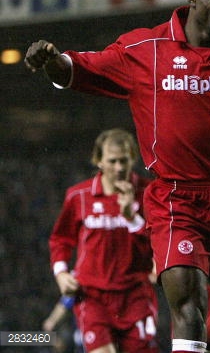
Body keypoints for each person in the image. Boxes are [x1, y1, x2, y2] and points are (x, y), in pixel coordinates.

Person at [25, 0, 210, 353]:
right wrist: (53, 60)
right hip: (175, 199)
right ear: (192, 0)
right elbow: (83, 68)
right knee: (188, 305)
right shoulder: (146, 49)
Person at [48, 128, 158, 353]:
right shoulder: (79, 196)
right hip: (92, 296)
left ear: (133, 159)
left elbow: (157, 244)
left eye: (124, 161)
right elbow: (61, 238)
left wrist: (130, 217)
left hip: (136, 295)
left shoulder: (149, 194)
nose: (119, 168)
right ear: (98, 161)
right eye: (112, 161)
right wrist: (61, 273)